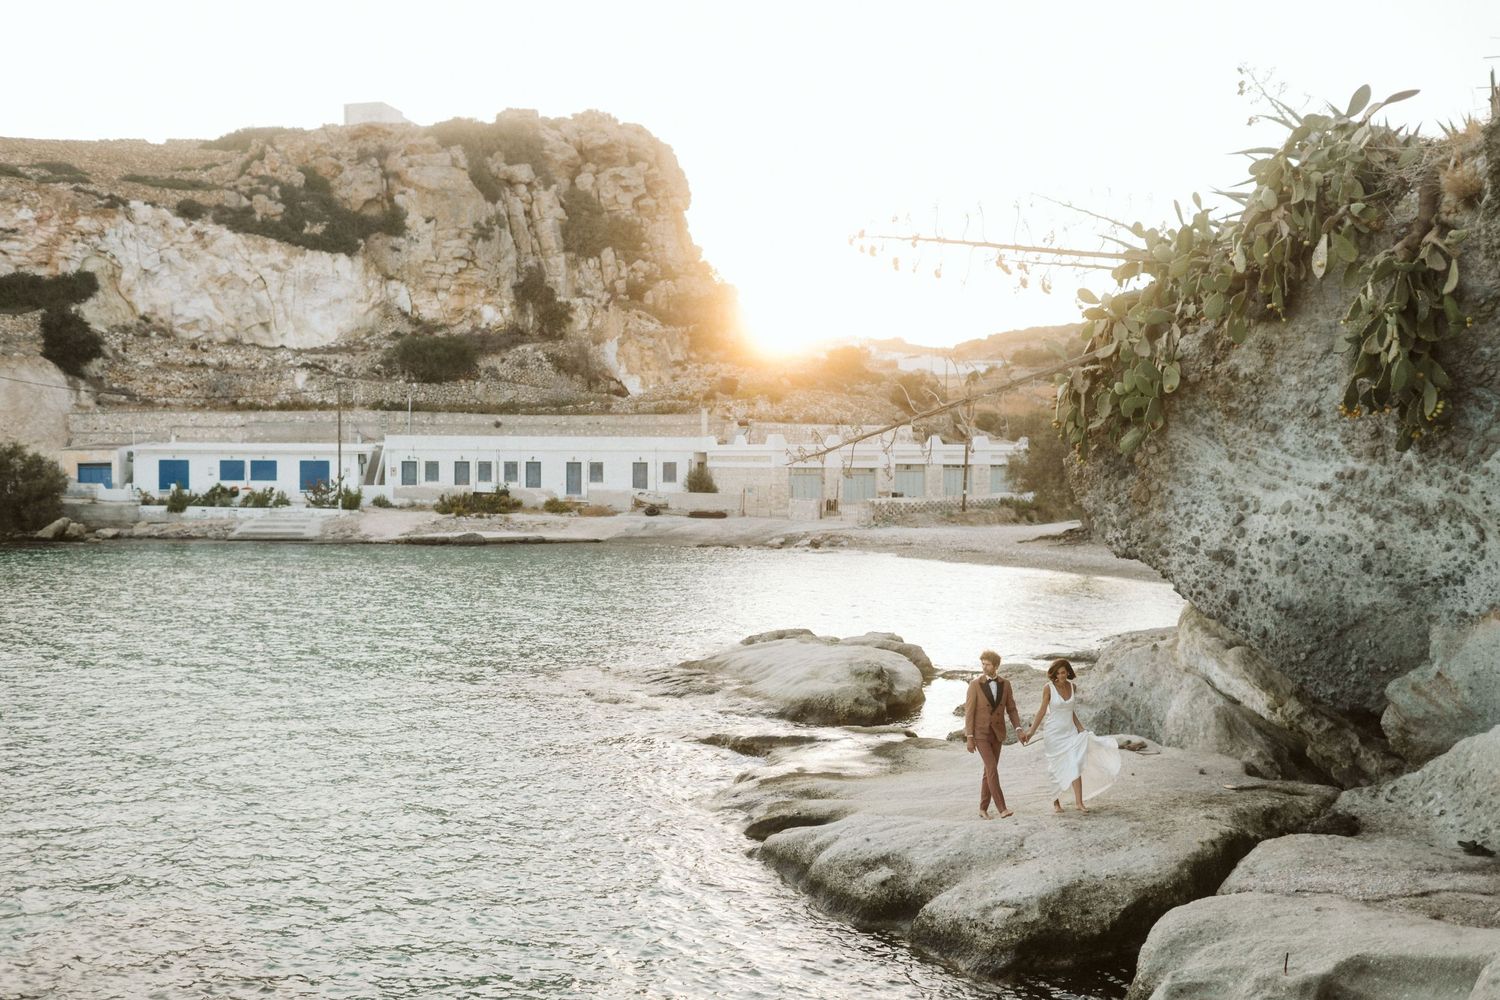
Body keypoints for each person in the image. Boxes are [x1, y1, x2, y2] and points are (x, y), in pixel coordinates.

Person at [1025, 658, 1120, 813]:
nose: (1061, 676)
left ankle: (1079, 803)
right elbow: (1042, 711)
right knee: (1055, 767)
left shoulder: (1072, 686)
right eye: (1058, 673)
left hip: (1070, 732)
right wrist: (1031, 731)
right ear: (1054, 674)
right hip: (1053, 733)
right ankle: (1056, 802)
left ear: (1068, 672)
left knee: (1075, 763)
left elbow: (1070, 711)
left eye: (1064, 672)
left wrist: (1081, 729)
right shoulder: (1048, 688)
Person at [964, 650, 1026, 819]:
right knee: (991, 768)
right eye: (982, 664)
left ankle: (982, 808)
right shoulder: (975, 685)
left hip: (997, 734)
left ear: (996, 666)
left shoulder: (1006, 684)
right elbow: (969, 712)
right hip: (981, 734)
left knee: (989, 771)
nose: (984, 667)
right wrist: (969, 737)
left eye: (988, 664)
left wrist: (1018, 729)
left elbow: (1011, 709)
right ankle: (1002, 808)